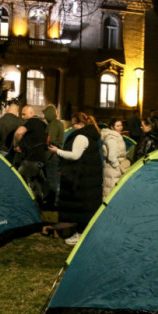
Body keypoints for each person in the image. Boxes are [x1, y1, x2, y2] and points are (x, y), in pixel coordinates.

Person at [48, 112, 102, 245]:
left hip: (82, 177)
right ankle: (85, 232)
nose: (72, 128)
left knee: (82, 208)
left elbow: (75, 155)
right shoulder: (92, 135)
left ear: (80, 124)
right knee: (89, 206)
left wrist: (57, 151)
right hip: (91, 176)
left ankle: (80, 234)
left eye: (73, 124)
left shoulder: (81, 136)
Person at [13, 105, 49, 204]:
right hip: (42, 158)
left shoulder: (31, 122)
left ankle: (25, 202)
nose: (22, 117)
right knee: (35, 180)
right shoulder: (43, 124)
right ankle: (40, 201)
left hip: (32, 158)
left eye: (24, 114)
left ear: (31, 113)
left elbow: (18, 133)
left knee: (19, 176)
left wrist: (16, 145)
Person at [100, 119, 129, 201]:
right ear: (112, 127)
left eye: (121, 125)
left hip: (112, 168)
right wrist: (118, 167)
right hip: (113, 169)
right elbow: (112, 156)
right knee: (112, 192)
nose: (120, 128)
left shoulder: (116, 136)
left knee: (111, 191)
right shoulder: (112, 138)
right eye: (118, 126)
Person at [43, 104, 65, 207]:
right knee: (54, 179)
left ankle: (52, 203)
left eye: (46, 115)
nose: (45, 117)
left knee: (51, 180)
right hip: (55, 155)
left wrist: (45, 143)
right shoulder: (58, 123)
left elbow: (50, 139)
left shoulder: (53, 124)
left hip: (51, 155)